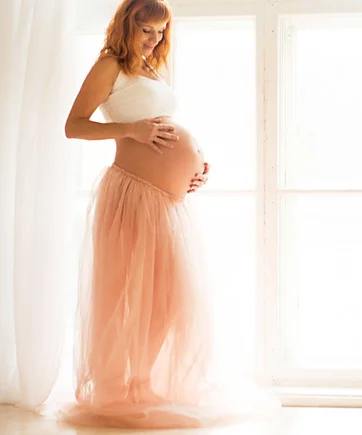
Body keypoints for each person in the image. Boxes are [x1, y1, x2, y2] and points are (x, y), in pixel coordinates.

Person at [60, 0, 278, 429]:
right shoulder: (110, 65)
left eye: (161, 31)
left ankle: (145, 381)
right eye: (147, 30)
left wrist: (193, 168)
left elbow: (166, 134)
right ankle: (123, 388)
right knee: (128, 295)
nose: (155, 39)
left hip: (167, 200)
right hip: (132, 196)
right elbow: (74, 125)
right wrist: (130, 129)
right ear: (127, 25)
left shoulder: (151, 68)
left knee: (170, 295)